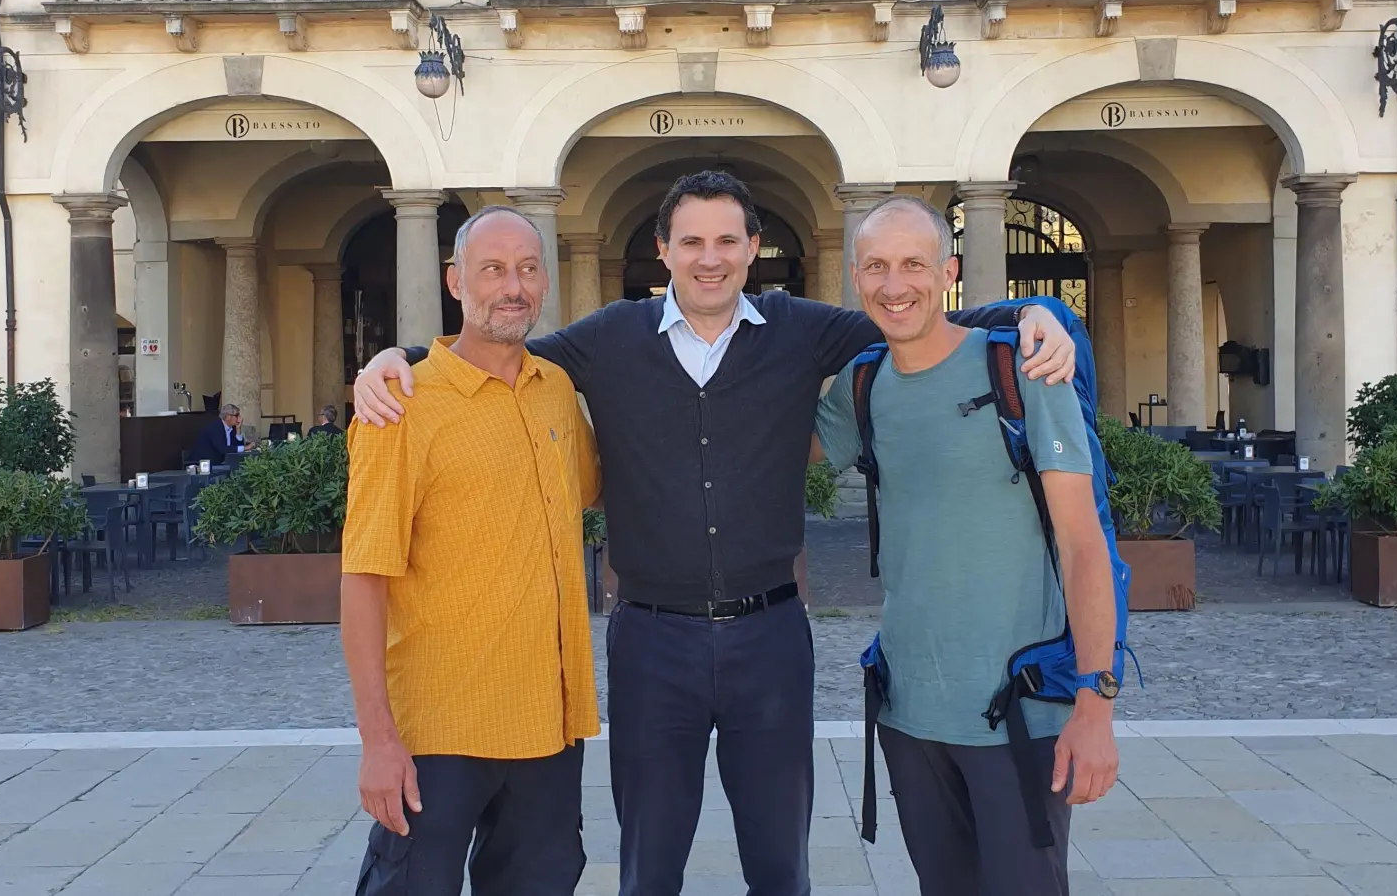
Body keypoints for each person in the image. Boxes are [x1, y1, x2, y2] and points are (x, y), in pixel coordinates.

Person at [350, 171, 1078, 896]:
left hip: (770, 640)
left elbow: (913, 318)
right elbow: (499, 347)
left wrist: (1028, 317)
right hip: (650, 645)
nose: (710, 257)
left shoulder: (799, 328)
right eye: (691, 240)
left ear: (754, 248)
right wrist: (399, 358)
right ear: (663, 249)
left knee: (780, 865)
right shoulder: (609, 338)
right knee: (649, 866)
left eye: (728, 240)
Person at [812, 195, 1118, 896]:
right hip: (909, 712)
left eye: (914, 264)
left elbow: (1082, 548)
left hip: (1019, 711)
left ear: (948, 272)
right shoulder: (863, 385)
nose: (896, 285)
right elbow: (767, 450)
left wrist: (1096, 709)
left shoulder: (1021, 370)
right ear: (856, 279)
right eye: (878, 267)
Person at [340, 205, 602, 896]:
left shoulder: (557, 392)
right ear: (456, 282)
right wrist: (377, 741)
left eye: (526, 268)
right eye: (492, 269)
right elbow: (364, 577)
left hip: (549, 723)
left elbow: (591, 491)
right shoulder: (401, 403)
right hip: (439, 729)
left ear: (544, 280)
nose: (511, 286)